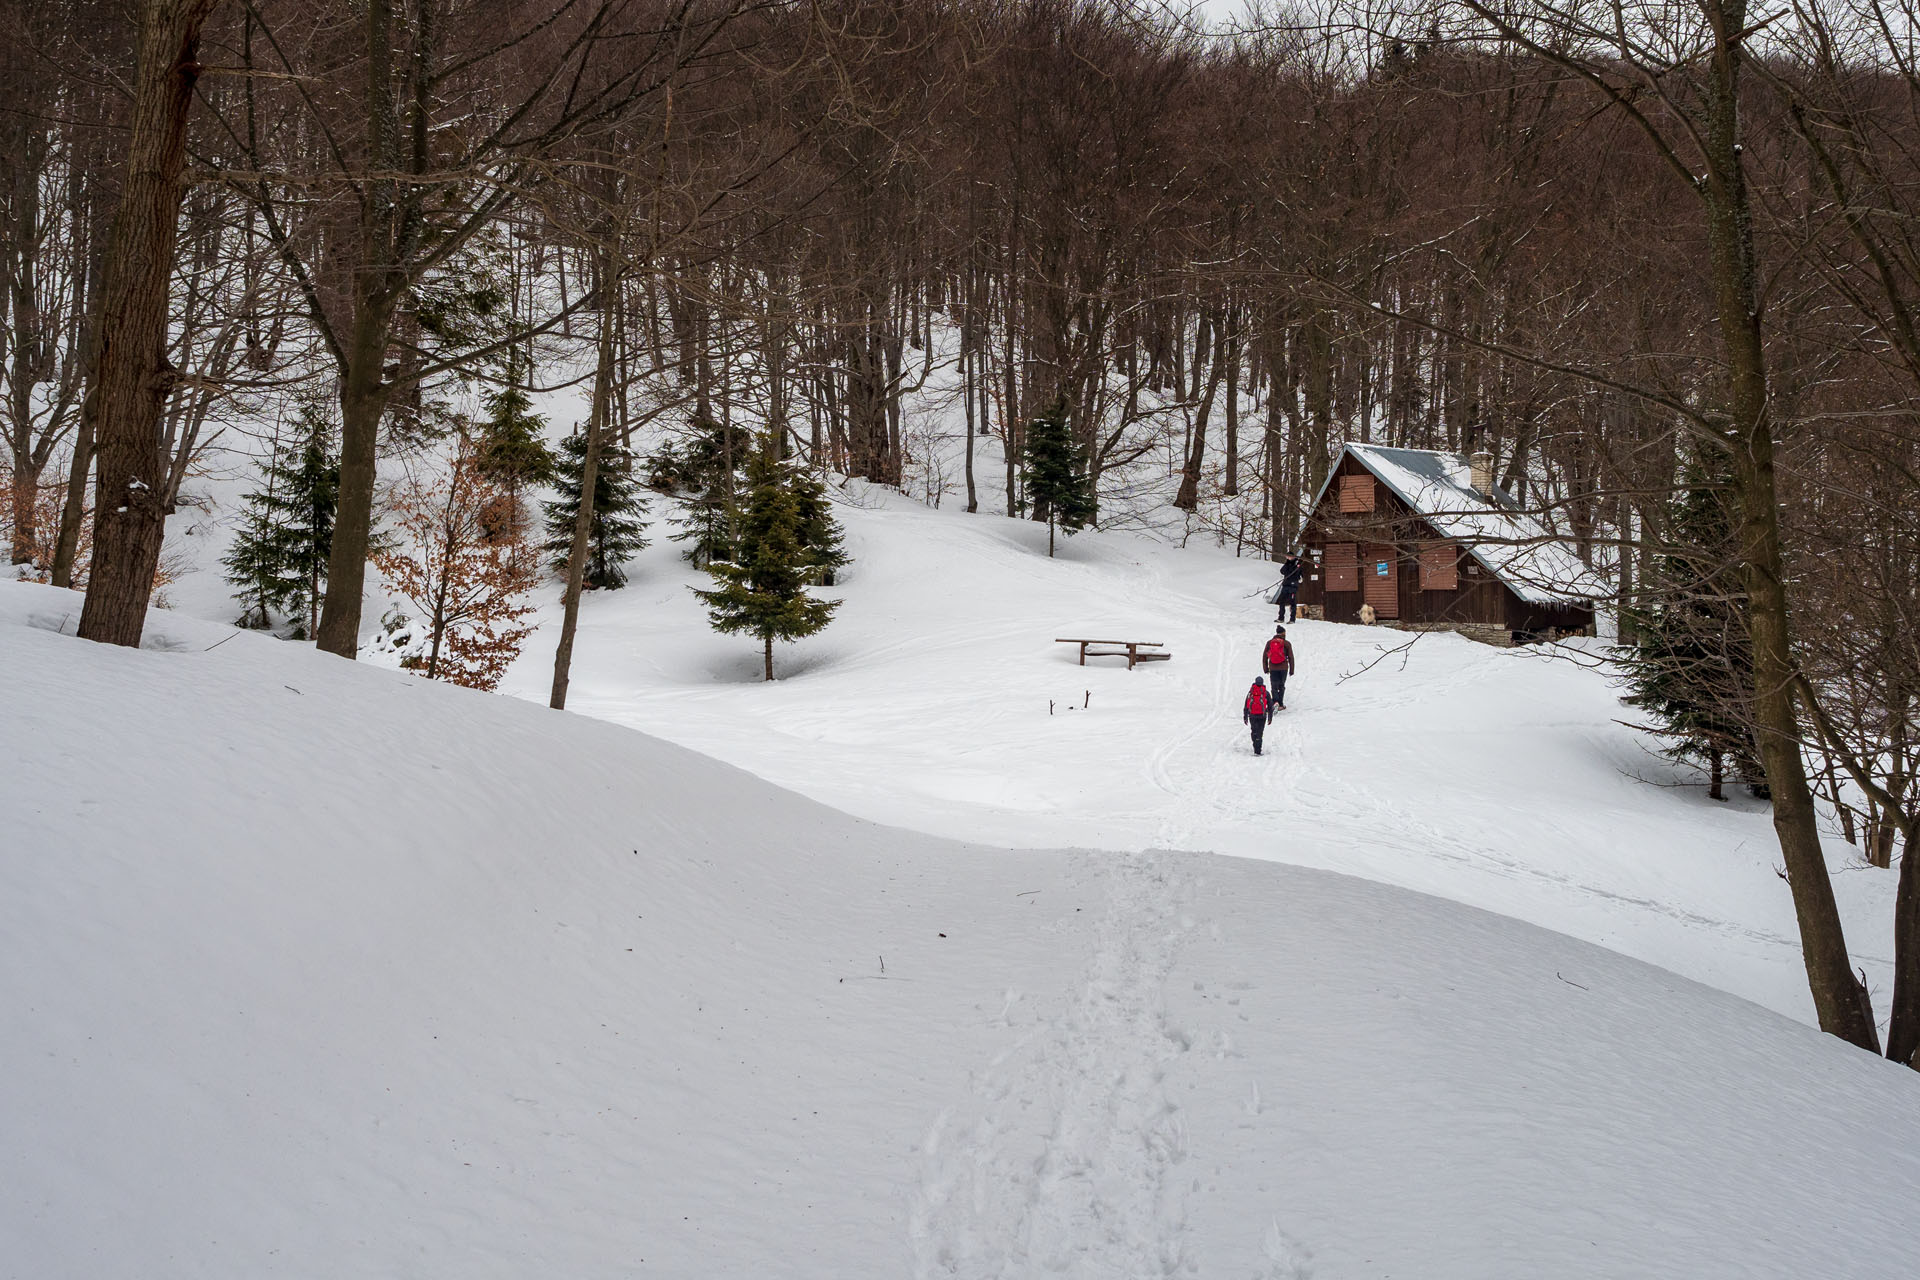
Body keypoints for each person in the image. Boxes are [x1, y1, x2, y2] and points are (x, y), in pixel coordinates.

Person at [1263, 626, 1296, 710]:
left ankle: (1275, 702)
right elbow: (1291, 657)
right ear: (1283, 633)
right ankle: (1280, 704)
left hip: (1273, 667)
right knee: (1281, 685)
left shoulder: (1269, 643)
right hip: (1283, 668)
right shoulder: (1286, 643)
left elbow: (1265, 656)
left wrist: (1265, 668)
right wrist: (1292, 670)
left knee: (1274, 686)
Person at [1243, 676, 1272, 755]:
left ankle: (1255, 745)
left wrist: (1245, 716)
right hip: (1262, 716)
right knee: (1260, 731)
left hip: (1252, 715)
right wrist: (1270, 717)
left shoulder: (1251, 692)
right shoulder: (1265, 693)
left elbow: (1246, 705)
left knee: (1254, 730)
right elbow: (1270, 706)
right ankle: (1258, 749)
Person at [1275, 549, 1305, 623]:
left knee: (1292, 603)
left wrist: (1297, 577)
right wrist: (1287, 563)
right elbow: (1282, 571)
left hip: (1293, 586)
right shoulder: (1287, 564)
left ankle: (1292, 619)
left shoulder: (1297, 564)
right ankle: (1281, 618)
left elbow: (1299, 574)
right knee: (1282, 602)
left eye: (1289, 557)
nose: (1288, 558)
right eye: (1287, 557)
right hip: (1285, 585)